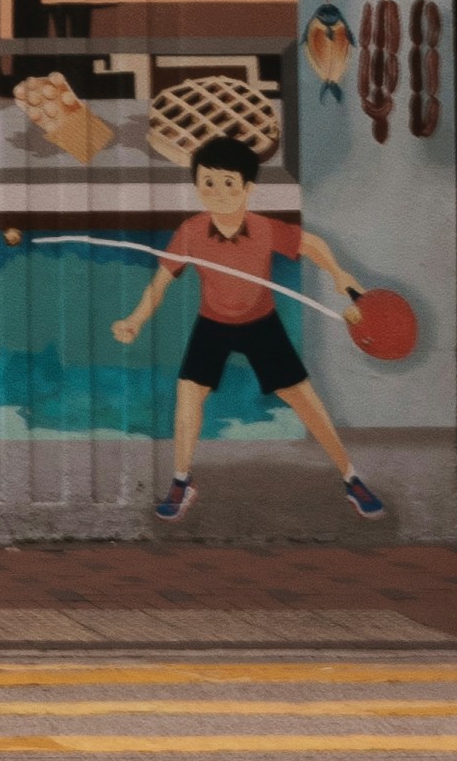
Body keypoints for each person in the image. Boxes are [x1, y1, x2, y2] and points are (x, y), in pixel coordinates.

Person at [108, 131, 392, 525]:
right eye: (208, 182)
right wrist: (135, 320)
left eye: (228, 183)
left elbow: (311, 245)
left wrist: (339, 274)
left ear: (247, 189)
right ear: (196, 187)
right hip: (214, 323)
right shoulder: (190, 231)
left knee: (303, 398)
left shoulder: (265, 229)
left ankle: (351, 478)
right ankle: (180, 480)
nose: (218, 191)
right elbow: (161, 283)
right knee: (189, 393)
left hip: (261, 323)